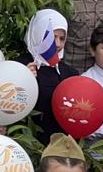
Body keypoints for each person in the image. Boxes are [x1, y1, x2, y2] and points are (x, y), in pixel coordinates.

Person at [19, 9, 79, 138]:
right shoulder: (20, 66)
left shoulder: (70, 73)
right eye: (51, 37)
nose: (57, 44)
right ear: (37, 34)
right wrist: (23, 79)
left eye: (62, 38)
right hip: (28, 141)